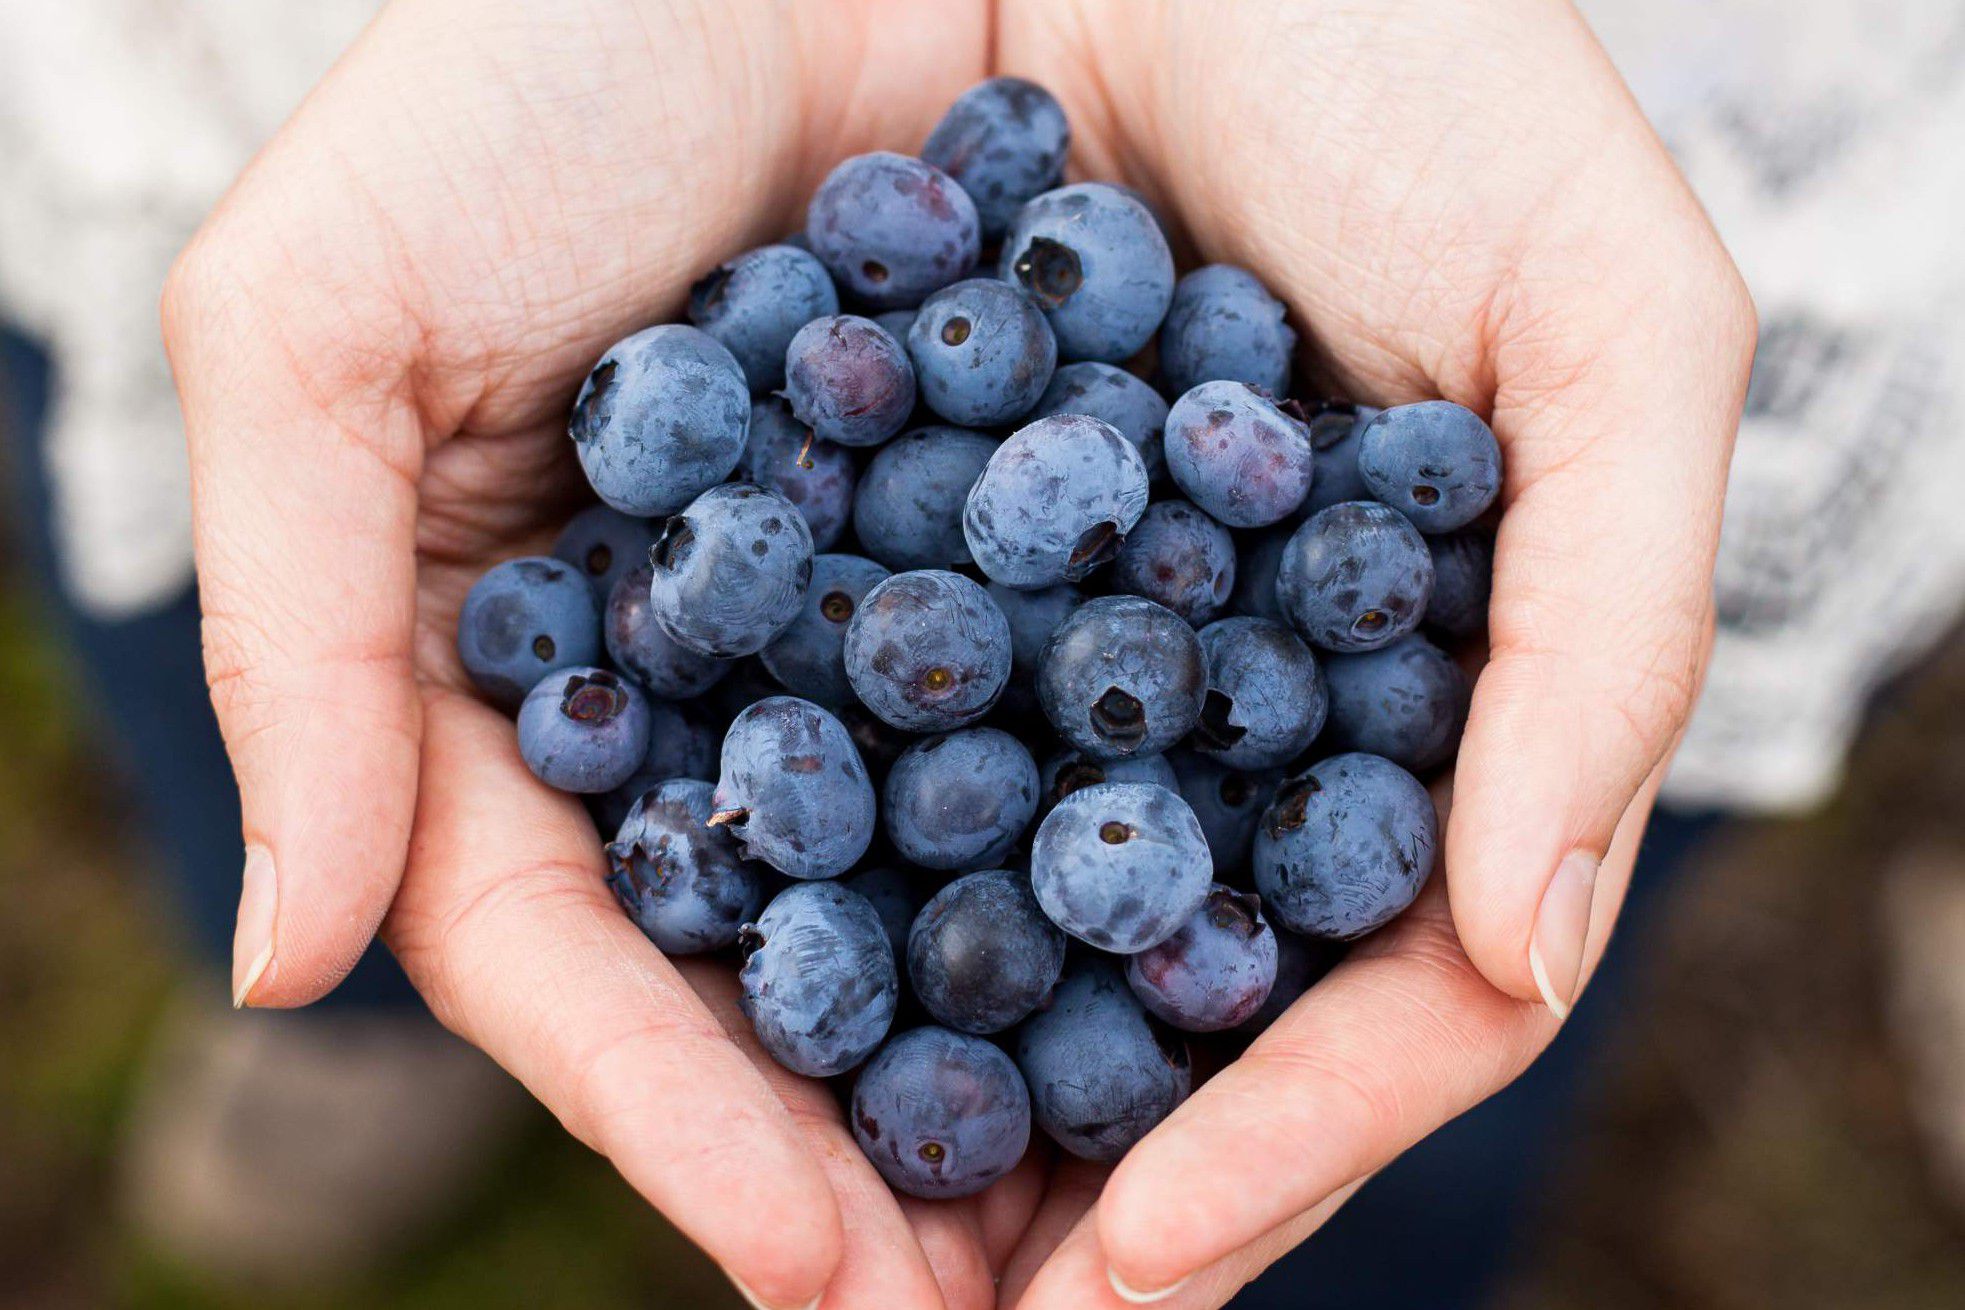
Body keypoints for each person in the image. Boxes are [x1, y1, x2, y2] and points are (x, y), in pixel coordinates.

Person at [148, 2, 1755, 1307]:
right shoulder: (819, 505)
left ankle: (1389, 1256)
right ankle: (363, 1033)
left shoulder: (1145, 555)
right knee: (300, 682)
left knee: (1502, 912)